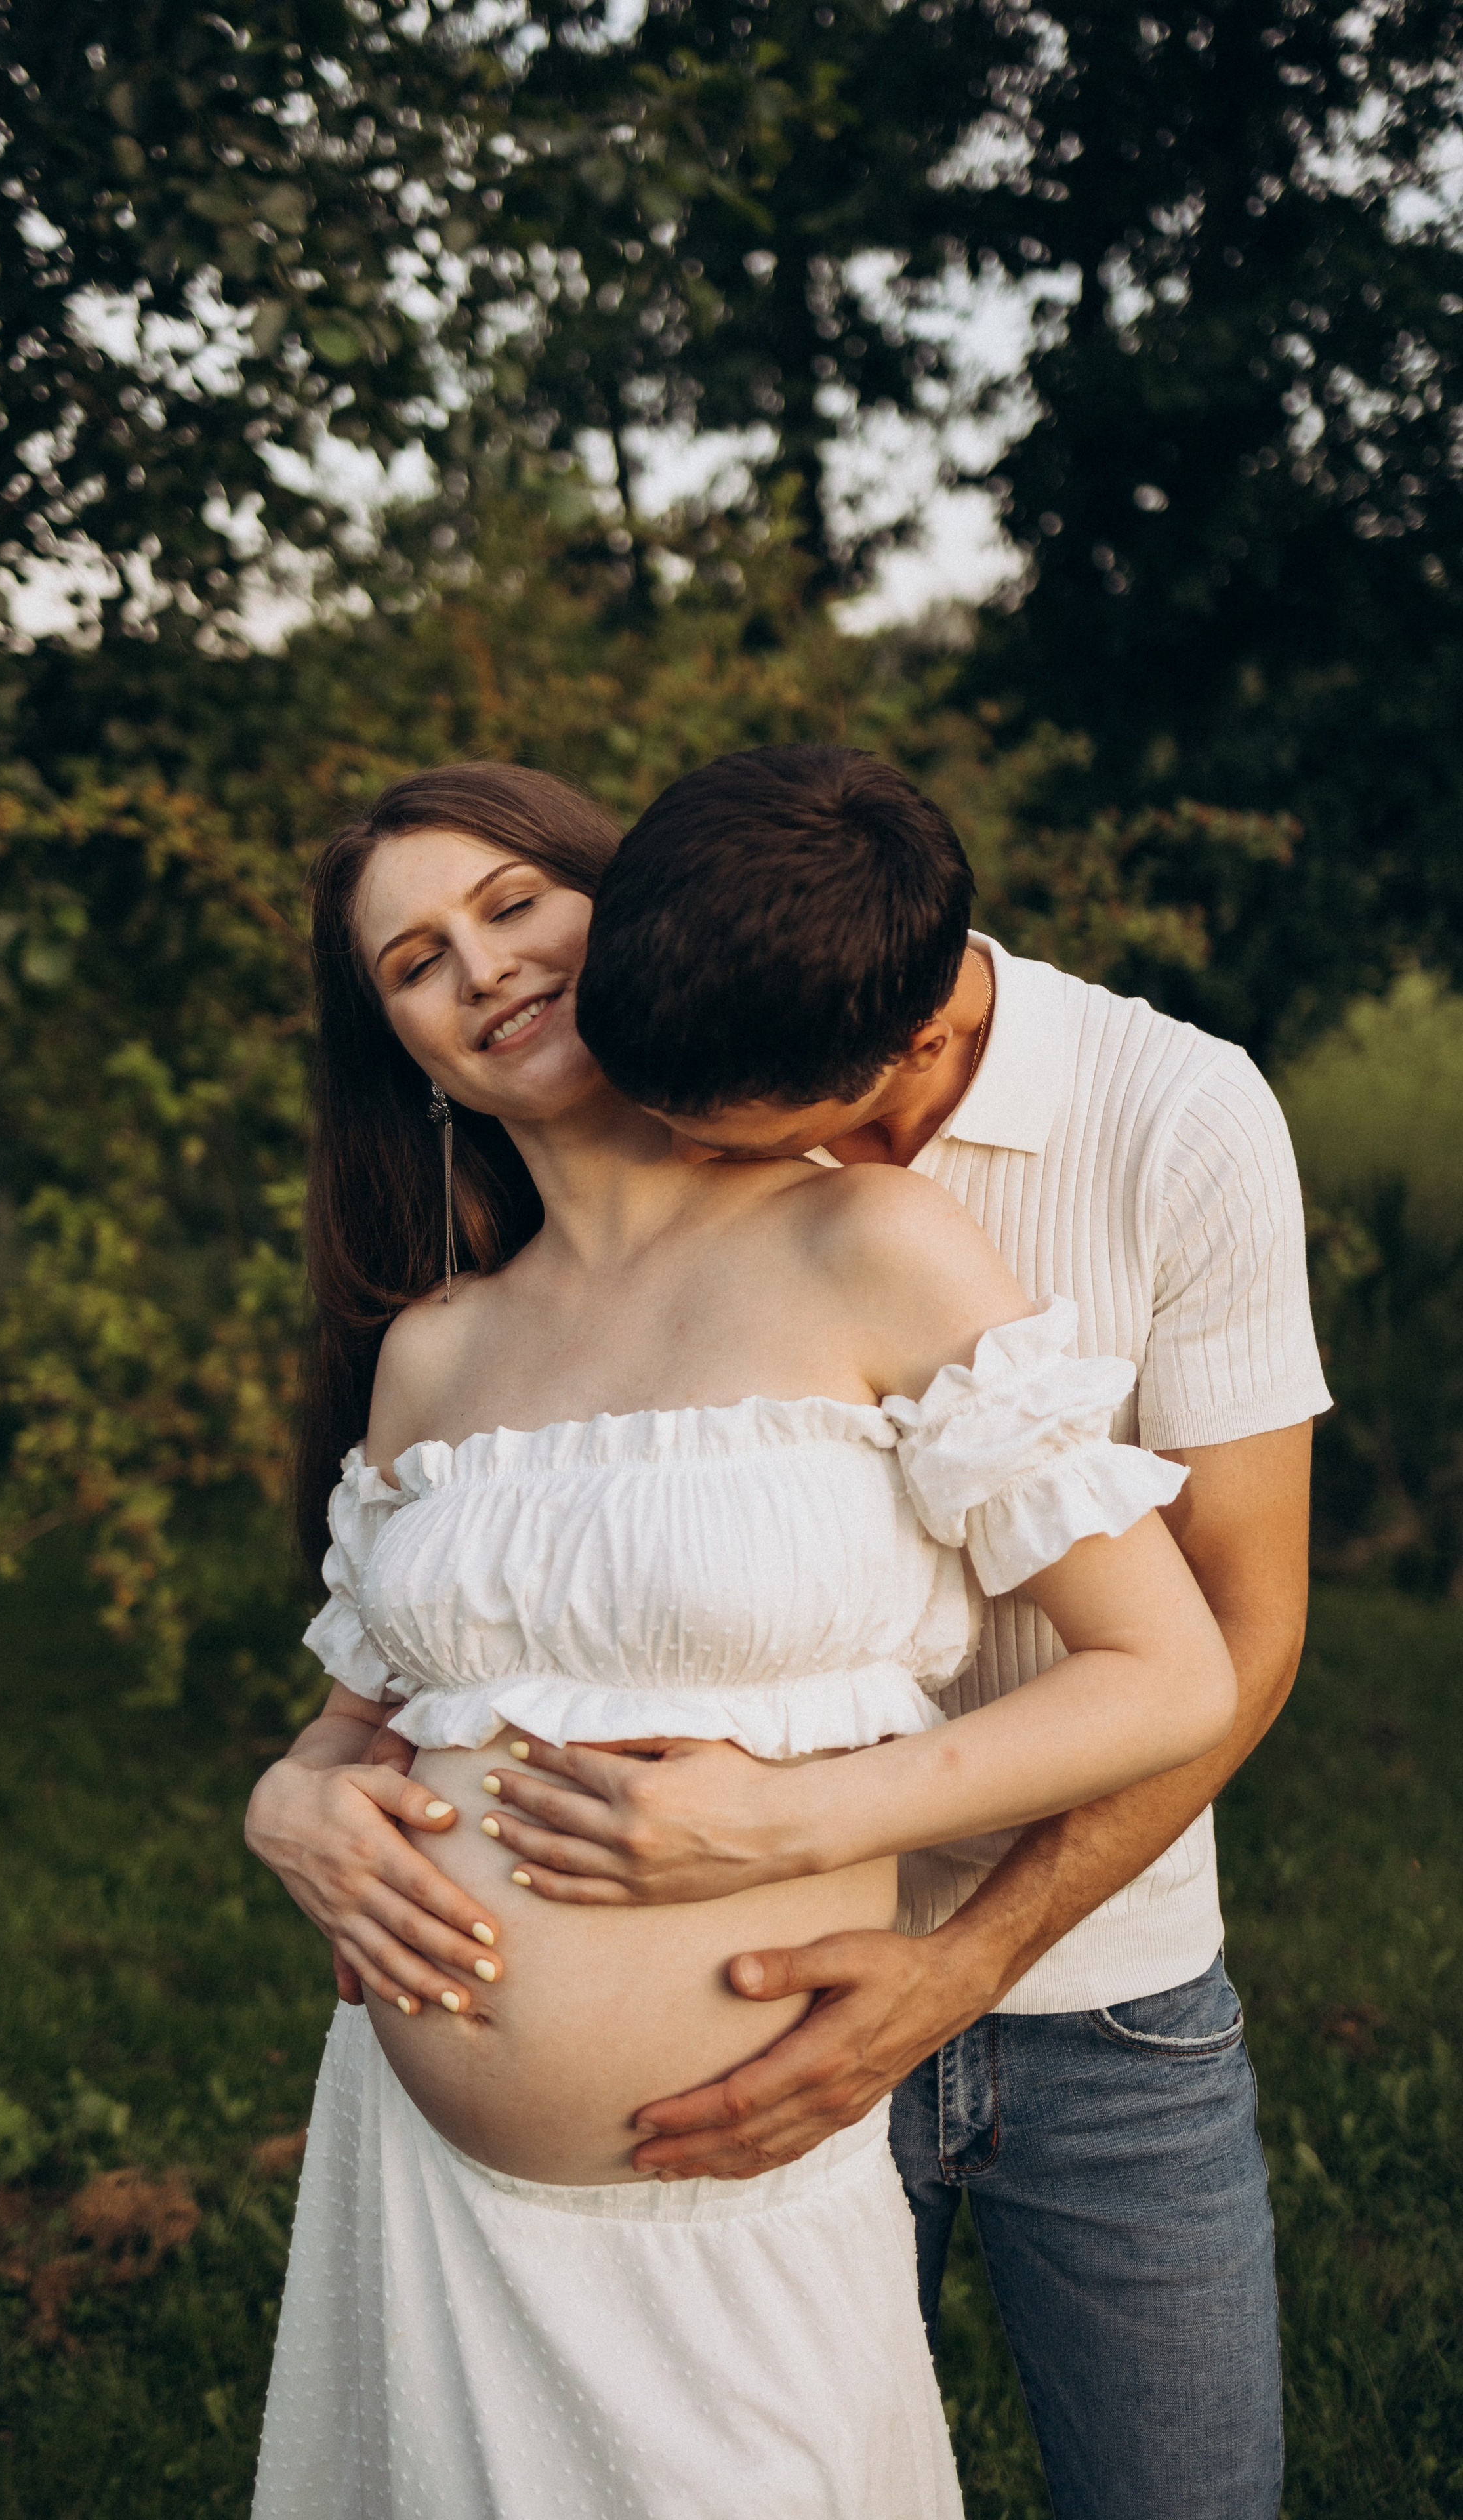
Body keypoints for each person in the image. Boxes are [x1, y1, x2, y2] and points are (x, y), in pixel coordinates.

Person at [245, 758, 1237, 2520]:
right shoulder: (438, 1352)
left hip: (732, 2214)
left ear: (615, 910)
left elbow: (1168, 1673)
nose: (477, 969)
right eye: (413, 963)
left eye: (510, 904)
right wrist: (291, 1802)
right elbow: (363, 1725)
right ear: (400, 1046)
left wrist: (797, 1821)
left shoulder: (873, 1245)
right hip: (428, 2195)